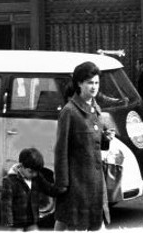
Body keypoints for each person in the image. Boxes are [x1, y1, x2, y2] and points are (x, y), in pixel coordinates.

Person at [54, 61, 114, 232]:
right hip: (77, 184)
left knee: (94, 224)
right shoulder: (69, 112)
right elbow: (61, 151)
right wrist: (63, 184)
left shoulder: (95, 108)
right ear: (79, 83)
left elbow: (93, 143)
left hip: (95, 183)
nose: (94, 87)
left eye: (96, 82)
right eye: (90, 83)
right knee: (73, 224)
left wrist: (105, 139)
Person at [0, 147, 59, 231]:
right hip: (17, 222)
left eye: (36, 172)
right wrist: (8, 220)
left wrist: (60, 189)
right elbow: (6, 203)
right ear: (21, 166)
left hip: (31, 221)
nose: (34, 174)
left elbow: (48, 188)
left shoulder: (37, 178)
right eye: (31, 171)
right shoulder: (10, 181)